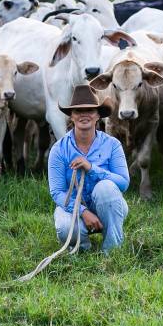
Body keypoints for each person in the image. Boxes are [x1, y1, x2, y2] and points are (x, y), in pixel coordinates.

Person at [48, 85, 130, 252]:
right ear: (71, 116)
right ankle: (83, 248)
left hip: (109, 204)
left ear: (98, 115)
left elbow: (123, 182)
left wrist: (92, 168)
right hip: (74, 207)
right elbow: (57, 192)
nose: (84, 114)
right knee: (64, 228)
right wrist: (83, 211)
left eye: (90, 110)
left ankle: (112, 251)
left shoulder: (112, 145)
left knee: (106, 187)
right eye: (78, 111)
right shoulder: (59, 149)